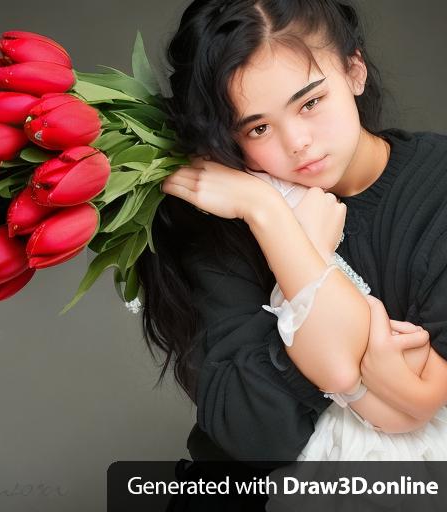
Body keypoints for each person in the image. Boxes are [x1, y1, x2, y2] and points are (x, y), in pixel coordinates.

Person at [135, 0, 447, 461]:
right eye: (258, 128)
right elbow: (254, 433)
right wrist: (268, 213)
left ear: (354, 70)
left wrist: (287, 239)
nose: (297, 143)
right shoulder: (218, 215)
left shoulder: (437, 186)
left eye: (311, 102)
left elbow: (424, 397)